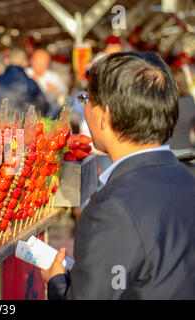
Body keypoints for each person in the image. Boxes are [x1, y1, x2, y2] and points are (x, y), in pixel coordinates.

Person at [42, 52, 195, 299]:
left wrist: (57, 283)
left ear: (105, 115)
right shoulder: (187, 178)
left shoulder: (111, 210)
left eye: (87, 99)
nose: (85, 107)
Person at [0, 47, 50, 116]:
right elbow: (44, 107)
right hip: (23, 126)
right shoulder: (30, 83)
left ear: (6, 61)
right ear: (25, 63)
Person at [26, 49, 68, 118]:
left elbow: (64, 93)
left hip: (48, 112)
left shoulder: (53, 77)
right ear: (32, 61)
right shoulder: (25, 73)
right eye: (38, 62)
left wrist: (55, 90)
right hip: (28, 110)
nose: (40, 66)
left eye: (43, 63)